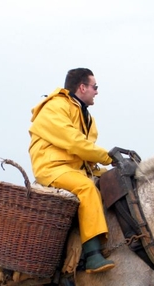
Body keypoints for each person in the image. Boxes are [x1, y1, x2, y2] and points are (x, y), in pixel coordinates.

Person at [28, 68, 115, 273]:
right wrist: (109, 157)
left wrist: (114, 166)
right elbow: (74, 143)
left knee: (115, 179)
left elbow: (85, 153)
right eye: (95, 87)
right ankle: (92, 255)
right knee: (86, 188)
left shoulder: (87, 117)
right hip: (52, 168)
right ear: (82, 87)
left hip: (76, 169)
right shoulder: (56, 107)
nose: (97, 92)